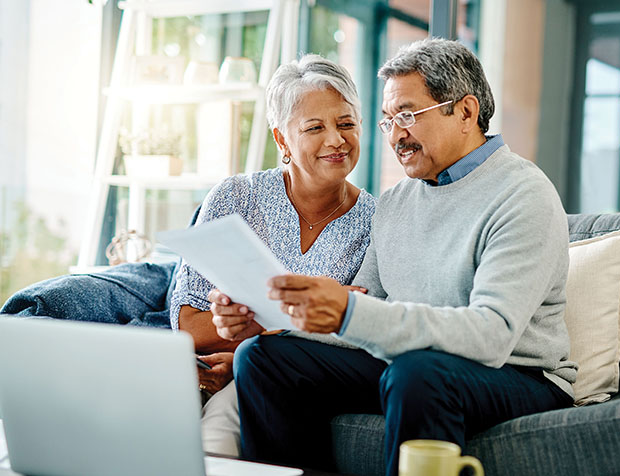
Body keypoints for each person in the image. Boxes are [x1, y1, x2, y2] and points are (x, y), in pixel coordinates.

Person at [212, 38, 577, 476]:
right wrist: (276, 323)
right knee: (262, 358)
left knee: (417, 373)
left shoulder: (522, 195)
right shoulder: (397, 201)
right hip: (414, 365)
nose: (396, 135)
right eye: (387, 121)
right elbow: (368, 305)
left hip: (519, 374)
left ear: (465, 112)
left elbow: (491, 335)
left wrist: (350, 310)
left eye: (407, 116)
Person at [168, 54, 375, 457]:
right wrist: (257, 336)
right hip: (206, 372)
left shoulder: (378, 221)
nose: (336, 140)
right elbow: (187, 324)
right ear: (282, 140)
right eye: (315, 127)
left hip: (288, 381)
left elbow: (358, 331)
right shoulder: (235, 197)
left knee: (219, 434)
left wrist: (247, 348)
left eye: (346, 124)